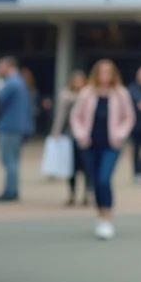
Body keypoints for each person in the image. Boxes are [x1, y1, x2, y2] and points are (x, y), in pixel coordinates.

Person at [69, 59, 136, 240]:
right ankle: (99, 213)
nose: (105, 75)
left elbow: (129, 117)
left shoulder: (121, 93)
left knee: (104, 178)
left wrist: (120, 134)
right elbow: (76, 116)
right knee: (94, 180)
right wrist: (81, 134)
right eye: (102, 72)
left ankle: (107, 217)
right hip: (89, 143)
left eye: (108, 72)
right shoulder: (86, 93)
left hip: (111, 144)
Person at [0, 56, 32, 202]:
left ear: (8, 66)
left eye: (1, 66)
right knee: (13, 160)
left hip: (9, 126)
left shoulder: (10, 83)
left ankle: (10, 191)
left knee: (9, 161)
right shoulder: (20, 82)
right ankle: (12, 190)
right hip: (18, 126)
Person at [51, 70, 92, 206]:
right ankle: (72, 194)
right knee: (71, 167)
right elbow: (61, 115)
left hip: (87, 136)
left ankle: (87, 194)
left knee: (87, 167)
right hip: (71, 136)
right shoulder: (67, 96)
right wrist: (56, 131)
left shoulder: (90, 95)